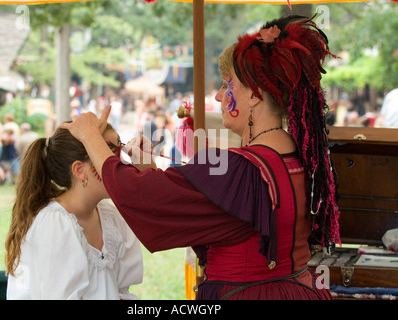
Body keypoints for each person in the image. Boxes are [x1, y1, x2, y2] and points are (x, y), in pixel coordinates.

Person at [61, 16, 339, 300]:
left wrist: (90, 136)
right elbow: (199, 212)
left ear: (255, 94)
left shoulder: (239, 168)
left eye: (227, 84)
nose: (218, 96)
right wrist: (148, 166)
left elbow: (142, 198)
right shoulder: (297, 158)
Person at [5, 124, 143, 300]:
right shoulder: (55, 224)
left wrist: (146, 173)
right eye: (109, 153)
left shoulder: (110, 217)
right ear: (80, 170)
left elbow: (120, 292)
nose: (123, 163)